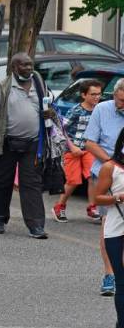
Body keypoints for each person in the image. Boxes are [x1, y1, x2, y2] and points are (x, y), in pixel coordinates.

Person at [0, 53, 50, 239]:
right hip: (7, 142)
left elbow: (48, 106)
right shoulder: (3, 86)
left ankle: (36, 225)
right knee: (2, 182)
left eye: (30, 65)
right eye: (24, 65)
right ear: (14, 68)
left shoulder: (39, 83)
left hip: (33, 143)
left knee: (32, 184)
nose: (28, 68)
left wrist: (49, 113)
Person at [84, 78, 124, 296]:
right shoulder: (102, 109)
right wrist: (112, 161)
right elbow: (90, 142)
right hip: (107, 173)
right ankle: (110, 274)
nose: (120, 105)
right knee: (109, 224)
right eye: (118, 100)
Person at [54, 79, 103, 222]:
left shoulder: (100, 110)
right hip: (72, 150)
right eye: (93, 94)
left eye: (99, 94)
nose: (97, 97)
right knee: (73, 180)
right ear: (83, 95)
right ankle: (59, 206)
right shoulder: (75, 110)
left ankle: (93, 207)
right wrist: (72, 146)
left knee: (93, 176)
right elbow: (61, 130)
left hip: (90, 149)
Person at [93, 127, 124, 328]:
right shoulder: (110, 168)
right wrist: (119, 197)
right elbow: (98, 198)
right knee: (123, 282)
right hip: (117, 231)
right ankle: (123, 327)